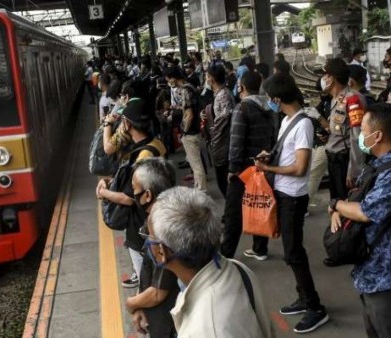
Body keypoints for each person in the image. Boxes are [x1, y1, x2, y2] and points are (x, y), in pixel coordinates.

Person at [254, 73, 329, 334]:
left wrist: (269, 167)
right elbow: (287, 153)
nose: (268, 103)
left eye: (269, 98)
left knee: (293, 252)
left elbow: (299, 168)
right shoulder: (287, 120)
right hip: (283, 193)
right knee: (292, 250)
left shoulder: (303, 125)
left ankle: (315, 307)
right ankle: (303, 297)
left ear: (277, 98)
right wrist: (269, 157)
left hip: (294, 197)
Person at [147, 186, 273, 338]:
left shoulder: (205, 330)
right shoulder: (238, 268)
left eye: (150, 236)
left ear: (161, 251)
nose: (148, 240)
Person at [328, 103, 391, 338]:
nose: (361, 137)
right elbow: (355, 199)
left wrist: (336, 205)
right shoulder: (376, 165)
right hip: (370, 273)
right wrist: (342, 208)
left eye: (364, 132)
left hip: (384, 281)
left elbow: (365, 211)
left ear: (378, 135)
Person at [97, 99, 167, 289]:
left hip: (141, 221)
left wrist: (104, 192)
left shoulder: (142, 156)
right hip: (157, 211)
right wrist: (112, 182)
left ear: (127, 124)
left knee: (146, 272)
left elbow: (129, 198)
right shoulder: (156, 144)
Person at [220, 71, 275, 259]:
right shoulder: (268, 108)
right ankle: (260, 248)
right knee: (258, 205)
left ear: (241, 87)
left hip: (243, 168)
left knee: (233, 212)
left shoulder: (242, 108)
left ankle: (226, 253)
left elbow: (236, 141)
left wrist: (233, 169)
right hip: (261, 166)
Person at [125, 158, 178, 337]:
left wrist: (132, 303)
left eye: (134, 189)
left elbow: (158, 292)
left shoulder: (164, 228)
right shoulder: (160, 217)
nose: (132, 194)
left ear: (147, 195)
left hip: (169, 321)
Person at [323, 58, 366, 200]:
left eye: (325, 75)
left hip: (345, 162)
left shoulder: (352, 99)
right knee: (335, 202)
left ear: (332, 78)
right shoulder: (335, 99)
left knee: (345, 203)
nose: (323, 79)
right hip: (334, 160)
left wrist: (354, 170)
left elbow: (357, 136)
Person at [164, 67, 207, 191]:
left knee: (196, 164)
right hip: (196, 129)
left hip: (191, 132)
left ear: (173, 78)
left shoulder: (184, 90)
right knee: (196, 162)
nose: (169, 82)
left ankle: (201, 190)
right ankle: (200, 188)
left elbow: (189, 115)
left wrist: (184, 131)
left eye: (168, 79)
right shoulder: (190, 87)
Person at [206, 65, 235, 197]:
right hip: (223, 143)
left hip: (223, 144)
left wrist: (214, 144)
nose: (206, 79)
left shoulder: (223, 96)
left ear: (211, 79)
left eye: (207, 76)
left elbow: (221, 123)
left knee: (224, 181)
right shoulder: (220, 93)